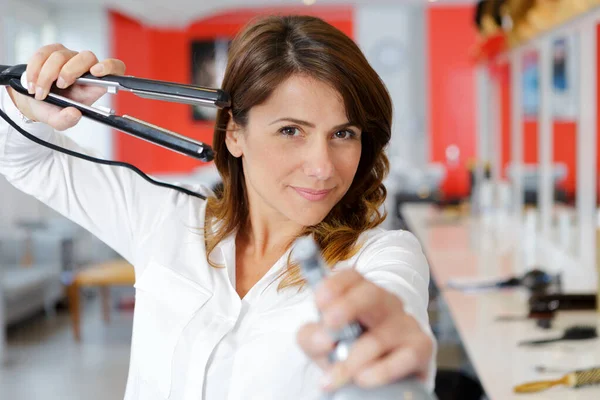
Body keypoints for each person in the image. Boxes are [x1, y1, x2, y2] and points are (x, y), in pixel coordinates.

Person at [0, 15, 436, 400]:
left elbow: (393, 311)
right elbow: (24, 159)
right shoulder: (165, 217)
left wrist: (389, 345)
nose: (322, 167)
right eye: (290, 130)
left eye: (343, 134)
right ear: (233, 135)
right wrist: (28, 99)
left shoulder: (385, 255)